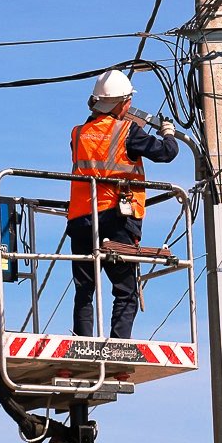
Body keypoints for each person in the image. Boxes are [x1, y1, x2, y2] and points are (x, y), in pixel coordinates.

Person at [66, 69, 178, 339]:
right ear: (123, 103)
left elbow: (96, 138)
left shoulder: (79, 132)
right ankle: (118, 346)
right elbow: (167, 153)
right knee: (126, 291)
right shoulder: (129, 131)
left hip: (81, 219)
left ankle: (84, 343)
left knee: (84, 290)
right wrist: (168, 132)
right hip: (117, 218)